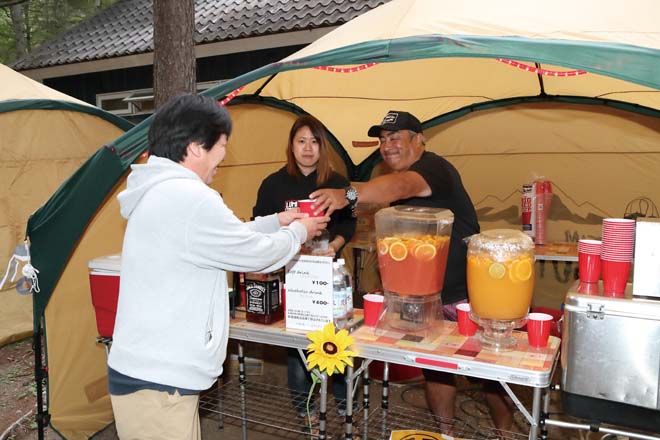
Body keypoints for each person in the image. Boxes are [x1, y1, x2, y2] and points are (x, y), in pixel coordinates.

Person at [107, 94, 329, 440]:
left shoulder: (164, 192)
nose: (223, 158)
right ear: (197, 147)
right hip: (158, 380)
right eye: (222, 145)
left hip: (153, 373)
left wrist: (277, 221)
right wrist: (300, 230)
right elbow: (256, 255)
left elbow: (226, 237)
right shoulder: (189, 197)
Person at [310, 110, 514, 430]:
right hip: (423, 297)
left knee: (489, 373)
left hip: (464, 296)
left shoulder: (433, 168)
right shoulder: (400, 181)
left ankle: (507, 434)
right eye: (381, 140)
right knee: (435, 369)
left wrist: (347, 194)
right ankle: (444, 434)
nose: (387, 145)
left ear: (418, 140)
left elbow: (399, 186)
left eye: (395, 138)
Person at [253, 114, 357, 418]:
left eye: (314, 141)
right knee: (297, 346)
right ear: (291, 146)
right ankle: (304, 408)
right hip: (291, 274)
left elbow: (353, 214)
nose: (308, 148)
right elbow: (260, 223)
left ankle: (343, 404)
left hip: (330, 273)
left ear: (322, 147)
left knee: (337, 341)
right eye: (301, 141)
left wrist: (335, 246)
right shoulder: (273, 184)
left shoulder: (338, 183)